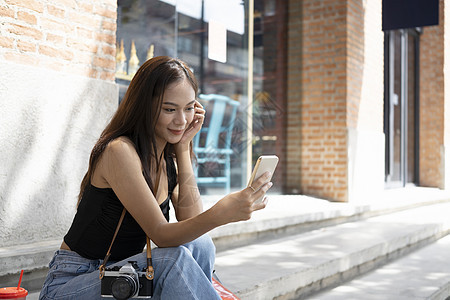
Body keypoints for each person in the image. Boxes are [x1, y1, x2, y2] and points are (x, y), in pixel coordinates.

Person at [38, 56, 273, 300]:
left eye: (189, 108)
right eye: (169, 109)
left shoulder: (167, 158)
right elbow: (161, 234)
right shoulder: (120, 151)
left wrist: (183, 149)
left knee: (200, 245)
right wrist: (220, 214)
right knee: (173, 260)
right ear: (144, 107)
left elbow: (191, 222)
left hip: (123, 278)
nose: (182, 121)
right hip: (76, 283)